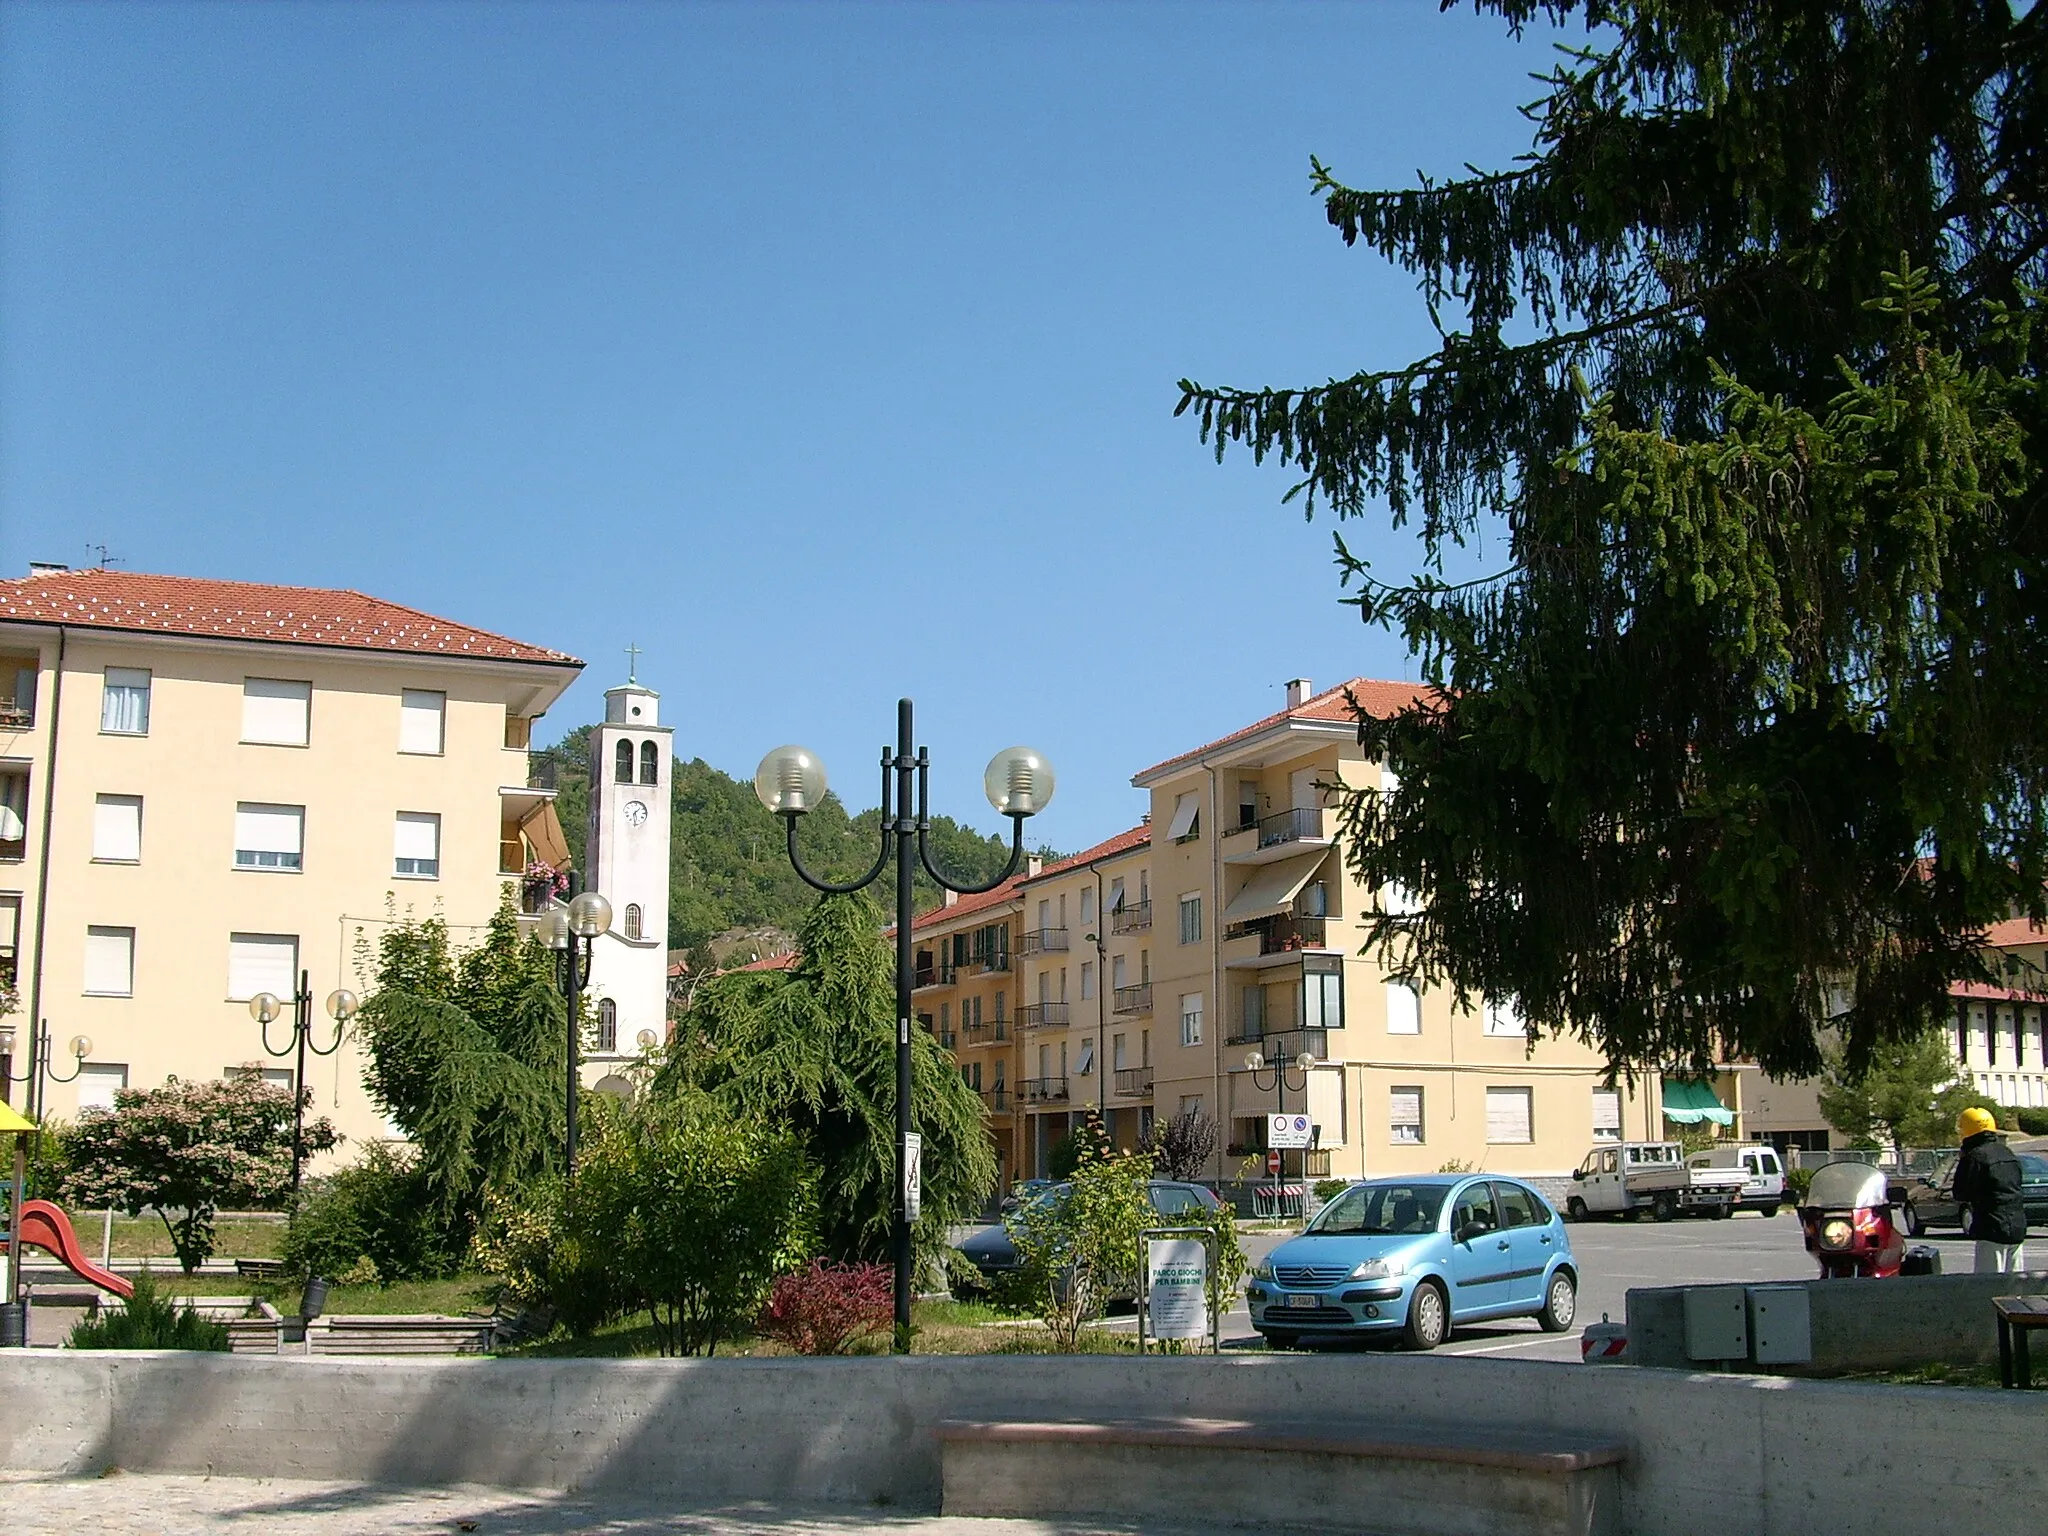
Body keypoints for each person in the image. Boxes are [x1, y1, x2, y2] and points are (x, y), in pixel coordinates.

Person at [1951, 1106, 2029, 1274]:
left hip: (1991, 1228)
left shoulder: (1975, 1156)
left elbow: (1960, 1192)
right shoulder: (2008, 1153)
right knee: (2014, 1285)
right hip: (2017, 1226)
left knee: (1987, 1285)